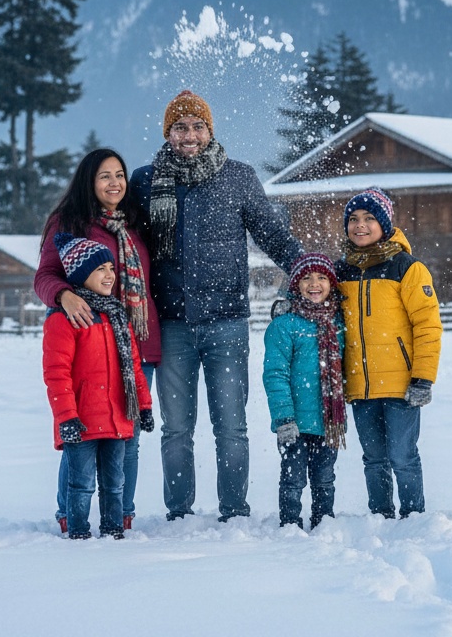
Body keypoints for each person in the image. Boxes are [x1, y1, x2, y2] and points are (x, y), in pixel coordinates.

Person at [130, 89, 303, 522]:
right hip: (171, 325)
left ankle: (234, 511)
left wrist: (308, 267)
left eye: (198, 126)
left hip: (226, 323)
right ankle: (179, 513)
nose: (190, 135)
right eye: (180, 127)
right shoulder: (146, 181)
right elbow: (124, 241)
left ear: (210, 130)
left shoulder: (238, 177)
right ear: (167, 132)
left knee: (231, 428)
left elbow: (273, 235)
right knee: (176, 430)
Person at [34, 148, 161, 531]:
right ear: (89, 181)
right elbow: (44, 276)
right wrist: (64, 295)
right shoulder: (69, 221)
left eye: (120, 174)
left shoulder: (135, 223)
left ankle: (120, 511)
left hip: (134, 340)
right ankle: (68, 513)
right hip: (87, 344)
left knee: (127, 435)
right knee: (82, 436)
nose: (114, 183)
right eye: (105, 175)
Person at [335, 187, 442, 519]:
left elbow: (427, 326)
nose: (360, 226)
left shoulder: (407, 268)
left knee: (402, 456)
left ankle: (414, 517)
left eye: (369, 218)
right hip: (360, 385)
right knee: (374, 458)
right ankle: (380, 517)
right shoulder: (341, 271)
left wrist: (423, 378)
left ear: (384, 223)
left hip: (401, 385)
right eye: (353, 219)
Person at [42, 233, 154, 539]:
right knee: (80, 484)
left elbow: (133, 366)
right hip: (82, 421)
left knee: (114, 482)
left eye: (110, 268)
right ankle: (78, 533)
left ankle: (113, 531)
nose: (109, 275)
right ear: (80, 275)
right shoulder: (64, 319)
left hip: (118, 418)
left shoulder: (118, 316)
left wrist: (143, 407)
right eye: (99, 269)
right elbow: (56, 374)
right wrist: (66, 418)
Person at [262, 252, 346, 529]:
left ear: (331, 284)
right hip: (294, 423)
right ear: (295, 284)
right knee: (293, 480)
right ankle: (290, 526)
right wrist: (284, 418)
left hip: (327, 422)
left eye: (322, 277)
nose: (315, 283)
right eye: (307, 277)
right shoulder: (285, 326)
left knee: (325, 479)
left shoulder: (338, 325)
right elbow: (275, 375)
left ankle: (324, 525)